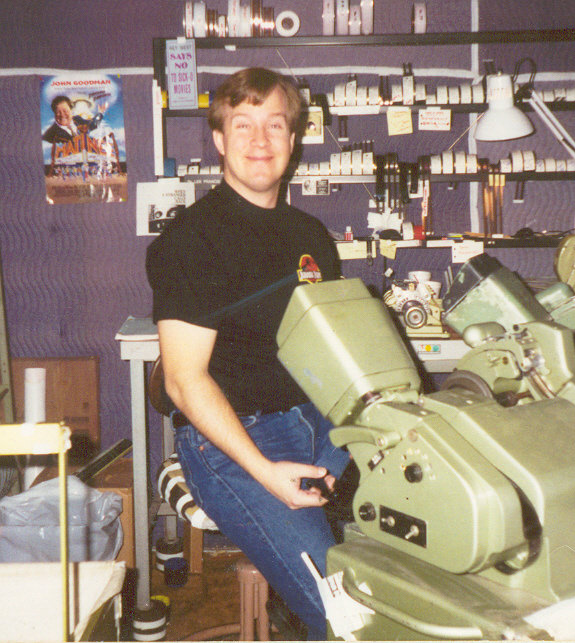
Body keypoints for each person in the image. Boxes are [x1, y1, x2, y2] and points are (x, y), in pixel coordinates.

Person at [146, 67, 349, 640]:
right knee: (347, 614)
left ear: (294, 139)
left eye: (274, 125)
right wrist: (264, 474)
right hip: (236, 441)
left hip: (317, 423)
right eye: (243, 125)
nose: (260, 141)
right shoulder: (192, 239)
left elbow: (329, 353)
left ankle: (292, 611)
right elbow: (184, 382)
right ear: (219, 141)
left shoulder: (311, 237)